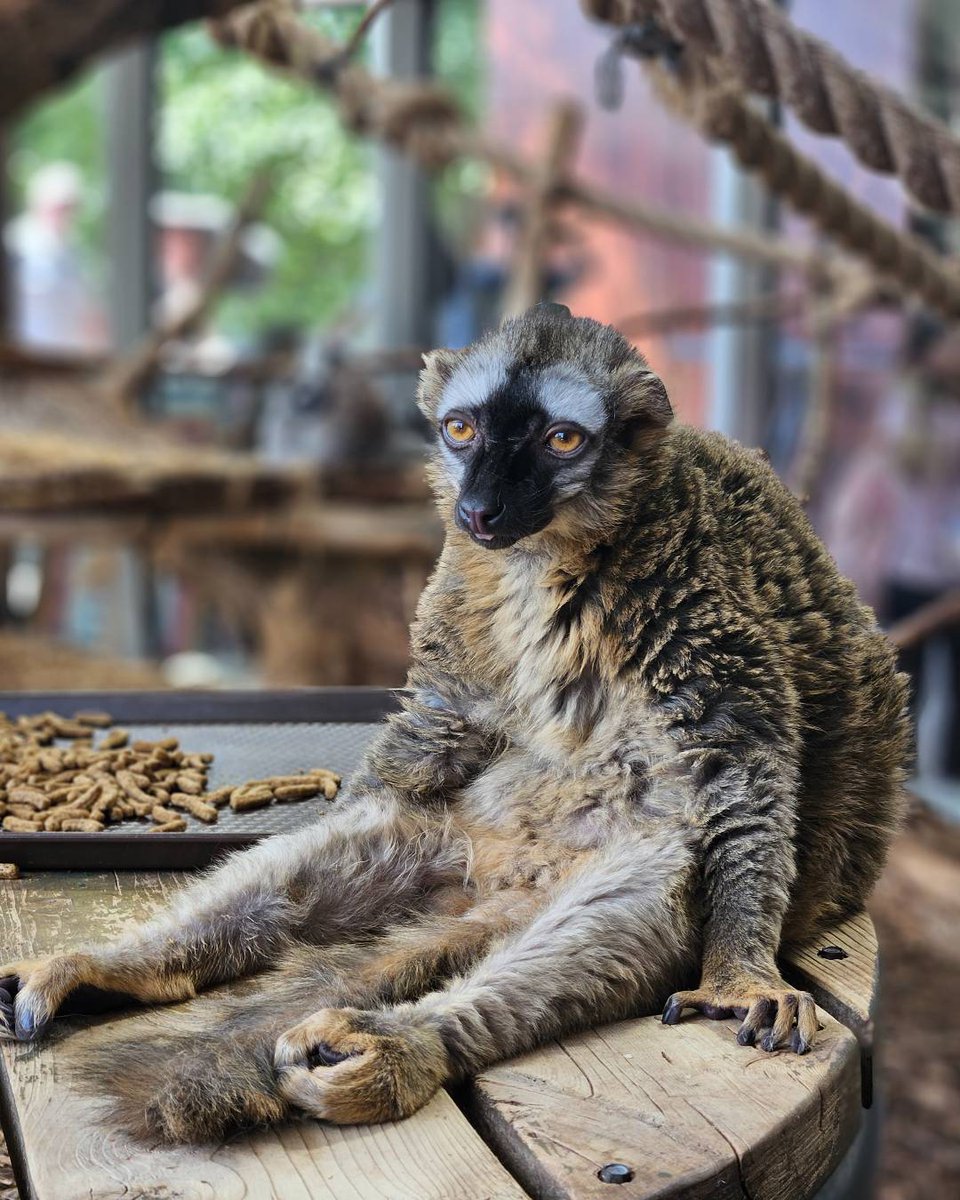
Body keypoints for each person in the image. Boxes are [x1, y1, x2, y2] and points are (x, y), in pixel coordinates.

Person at [4, 161, 106, 352]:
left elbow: (88, 312)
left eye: (69, 207)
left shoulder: (75, 252)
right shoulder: (16, 244)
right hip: (26, 361)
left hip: (66, 362)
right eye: (57, 206)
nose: (62, 214)